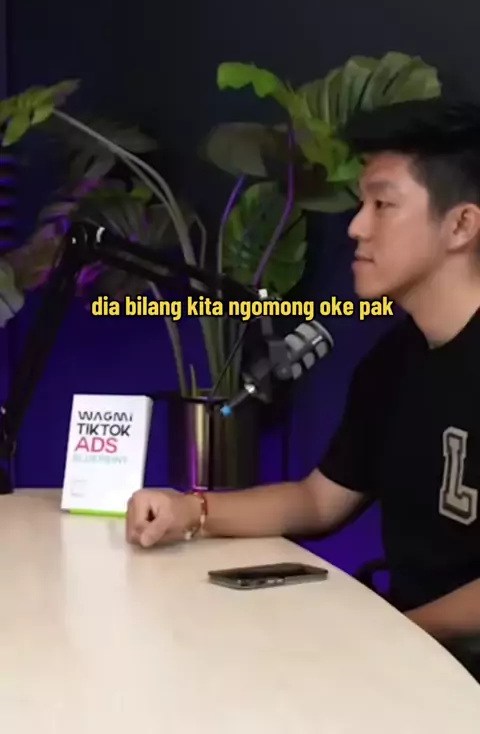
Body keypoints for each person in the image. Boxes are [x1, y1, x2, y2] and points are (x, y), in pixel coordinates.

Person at [126, 96, 480, 679]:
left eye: (383, 204)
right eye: (361, 204)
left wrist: (401, 632)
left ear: (461, 225)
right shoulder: (393, 362)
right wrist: (190, 510)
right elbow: (319, 501)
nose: (357, 227)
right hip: (413, 656)